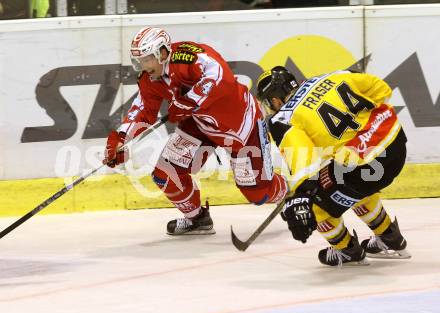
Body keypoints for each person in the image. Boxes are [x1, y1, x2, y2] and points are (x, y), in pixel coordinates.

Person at [103, 27, 288, 235]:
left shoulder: (187, 57)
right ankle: (197, 219)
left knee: (258, 195)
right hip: (202, 125)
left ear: (162, 53)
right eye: (140, 61)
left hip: (241, 126)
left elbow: (220, 75)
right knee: (166, 174)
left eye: (147, 59)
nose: (144, 66)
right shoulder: (150, 79)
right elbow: (142, 110)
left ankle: (290, 192)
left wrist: (189, 101)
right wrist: (122, 139)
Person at [256, 66, 411, 266]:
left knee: (316, 204)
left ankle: (347, 250)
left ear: (275, 100)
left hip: (365, 167)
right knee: (342, 180)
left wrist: (302, 193)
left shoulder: (282, 119)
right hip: (395, 142)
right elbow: (381, 89)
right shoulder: (329, 77)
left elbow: (304, 162)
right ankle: (390, 238)